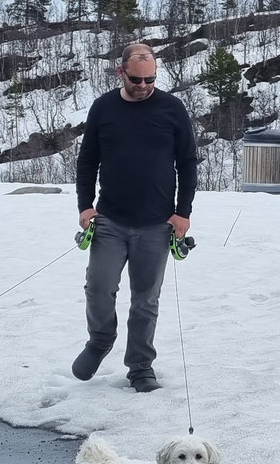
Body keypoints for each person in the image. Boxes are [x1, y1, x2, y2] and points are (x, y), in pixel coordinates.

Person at [72, 41, 198, 392]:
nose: (143, 86)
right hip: (110, 219)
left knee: (145, 300)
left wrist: (182, 213)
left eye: (150, 80)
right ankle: (100, 340)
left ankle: (140, 367)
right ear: (121, 72)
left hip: (157, 223)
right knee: (98, 287)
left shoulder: (172, 109)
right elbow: (87, 161)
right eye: (136, 80)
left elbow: (187, 163)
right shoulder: (104, 108)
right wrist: (85, 206)